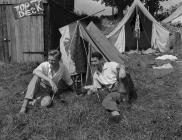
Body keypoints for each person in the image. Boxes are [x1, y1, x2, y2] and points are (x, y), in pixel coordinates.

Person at [86, 52, 136, 122]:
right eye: (92, 61)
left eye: (95, 61)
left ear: (101, 60)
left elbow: (121, 66)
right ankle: (116, 116)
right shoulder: (96, 75)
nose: (93, 63)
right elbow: (98, 89)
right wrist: (91, 91)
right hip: (114, 91)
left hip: (122, 86)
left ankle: (128, 97)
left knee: (125, 74)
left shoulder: (110, 65)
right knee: (106, 99)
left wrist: (121, 71)